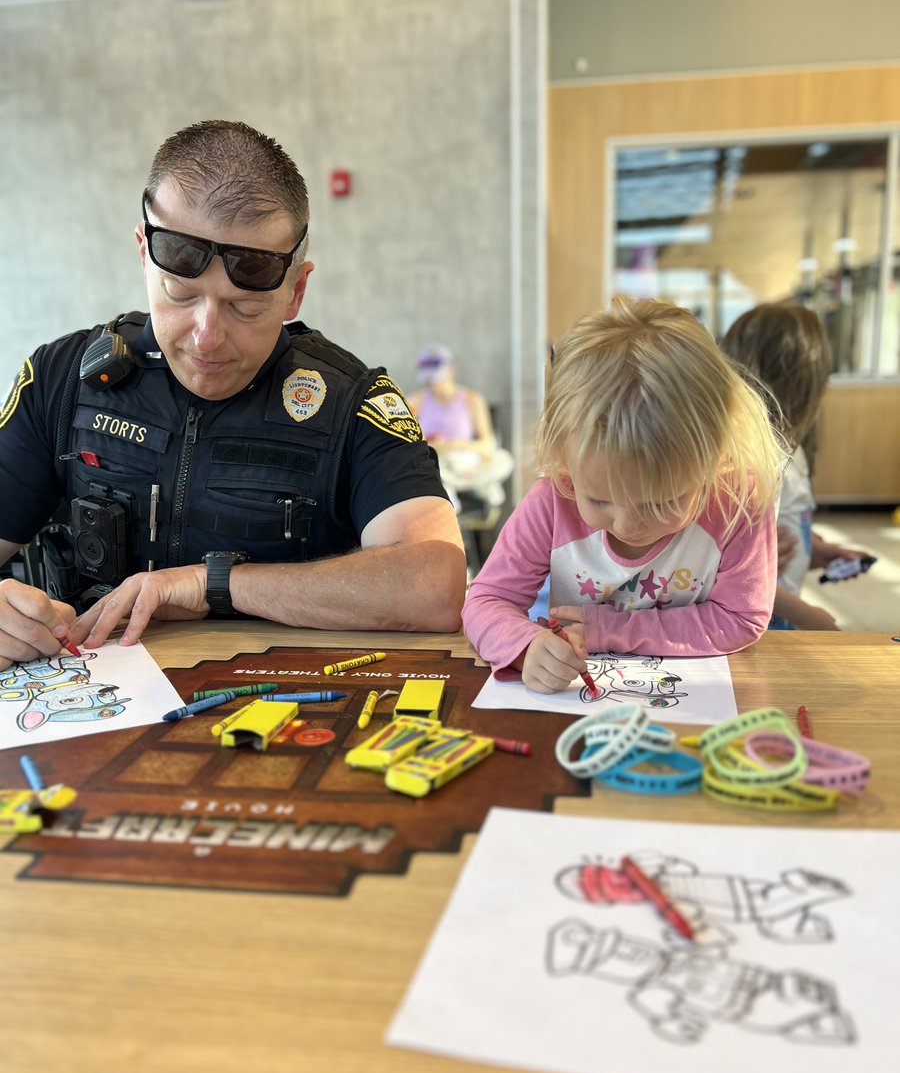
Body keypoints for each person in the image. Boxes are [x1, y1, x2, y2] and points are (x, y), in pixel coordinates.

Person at [0, 120, 466, 674]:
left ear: (296, 290)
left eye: (244, 309)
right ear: (144, 257)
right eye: (181, 293)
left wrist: (211, 584)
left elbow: (434, 585)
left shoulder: (350, 404)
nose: (206, 336)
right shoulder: (62, 381)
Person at [462, 296, 784, 694]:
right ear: (565, 460)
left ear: (715, 459)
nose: (630, 526)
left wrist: (609, 630)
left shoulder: (737, 501)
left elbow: (741, 619)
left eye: (663, 503)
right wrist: (523, 645)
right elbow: (486, 600)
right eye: (598, 501)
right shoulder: (554, 498)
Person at [721, 303, 872, 631]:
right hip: (762, 616)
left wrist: (816, 548)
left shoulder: (794, 449)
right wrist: (807, 616)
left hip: (783, 600)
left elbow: (789, 521)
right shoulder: (750, 463)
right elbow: (731, 577)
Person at [407, 342, 513, 511]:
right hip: (439, 463)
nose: (433, 381)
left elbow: (488, 444)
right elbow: (409, 444)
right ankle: (469, 487)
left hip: (468, 462)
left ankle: (464, 485)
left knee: (504, 460)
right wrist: (436, 446)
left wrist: (458, 445)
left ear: (451, 369)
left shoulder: (472, 399)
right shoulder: (414, 402)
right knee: (426, 467)